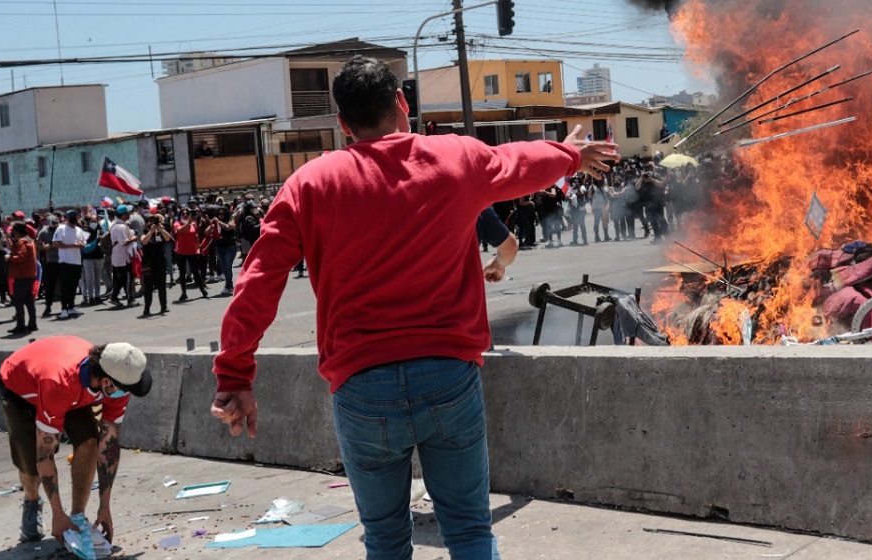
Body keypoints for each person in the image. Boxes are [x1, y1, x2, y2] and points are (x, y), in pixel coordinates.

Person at [209, 55, 616, 560]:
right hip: (449, 377)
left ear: (342, 123)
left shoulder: (309, 184)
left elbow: (258, 282)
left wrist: (234, 374)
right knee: (468, 532)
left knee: (384, 539)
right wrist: (570, 154)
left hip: (361, 387)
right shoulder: (455, 157)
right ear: (401, 104)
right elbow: (521, 161)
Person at [0, 336, 152, 547]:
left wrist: (104, 506)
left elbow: (109, 444)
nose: (126, 395)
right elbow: (45, 454)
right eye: (126, 389)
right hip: (22, 388)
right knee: (31, 463)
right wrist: (57, 514)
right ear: (107, 382)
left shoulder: (115, 379)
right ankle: (32, 502)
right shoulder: (59, 383)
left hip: (71, 389)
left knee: (90, 441)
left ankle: (77, 516)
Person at [52, 210, 88, 319]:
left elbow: (84, 243)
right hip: (65, 262)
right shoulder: (61, 228)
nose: (75, 218)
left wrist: (81, 245)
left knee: (73, 287)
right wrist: (72, 245)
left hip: (77, 262)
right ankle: (64, 308)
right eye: (73, 216)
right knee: (65, 287)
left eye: (76, 216)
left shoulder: (79, 230)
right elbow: (56, 243)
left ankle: (71, 307)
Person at [5, 222, 39, 333]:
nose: (12, 232)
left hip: (22, 275)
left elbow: (20, 257)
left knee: (18, 301)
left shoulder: (22, 242)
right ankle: (32, 323)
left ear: (17, 231)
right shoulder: (29, 240)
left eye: (13, 230)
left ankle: (21, 324)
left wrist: (9, 258)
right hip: (30, 274)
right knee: (29, 300)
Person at [172, 209, 208, 302]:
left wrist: (198, 247)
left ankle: (202, 290)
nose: (185, 215)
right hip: (180, 252)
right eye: (183, 214)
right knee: (182, 272)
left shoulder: (194, 224)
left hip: (192, 251)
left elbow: (196, 236)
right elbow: (179, 231)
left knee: (195, 271)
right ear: (180, 215)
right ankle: (184, 293)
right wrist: (188, 223)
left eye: (187, 214)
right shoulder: (177, 223)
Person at [139, 215, 171, 316]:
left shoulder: (160, 231)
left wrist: (161, 230)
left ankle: (164, 306)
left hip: (160, 262)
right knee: (148, 288)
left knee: (162, 286)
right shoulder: (145, 232)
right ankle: (147, 308)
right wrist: (151, 231)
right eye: (150, 221)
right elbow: (144, 241)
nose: (152, 223)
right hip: (148, 263)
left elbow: (168, 238)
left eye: (153, 221)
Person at [108, 206, 137, 307]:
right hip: (122, 256)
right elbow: (123, 242)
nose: (129, 215)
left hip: (118, 256)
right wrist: (133, 238)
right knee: (127, 277)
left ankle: (114, 296)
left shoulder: (116, 225)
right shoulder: (120, 227)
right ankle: (129, 299)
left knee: (121, 278)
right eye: (128, 213)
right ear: (124, 214)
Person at [37, 213, 61, 317]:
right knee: (49, 285)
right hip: (51, 261)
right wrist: (49, 246)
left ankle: (67, 306)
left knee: (65, 284)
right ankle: (48, 306)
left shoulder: (61, 229)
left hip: (64, 260)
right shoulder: (43, 232)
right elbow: (38, 245)